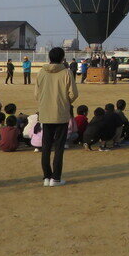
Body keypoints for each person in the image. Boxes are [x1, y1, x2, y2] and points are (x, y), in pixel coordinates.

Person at [35, 46, 78, 187]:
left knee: (46, 146)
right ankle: (56, 178)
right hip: (61, 113)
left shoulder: (41, 72)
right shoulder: (67, 72)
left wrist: (44, 102)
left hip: (45, 113)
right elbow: (73, 94)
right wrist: (65, 102)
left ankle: (46, 177)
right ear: (62, 58)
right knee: (59, 147)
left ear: (49, 57)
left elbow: (36, 94)